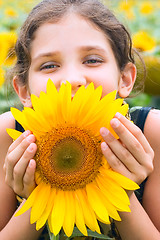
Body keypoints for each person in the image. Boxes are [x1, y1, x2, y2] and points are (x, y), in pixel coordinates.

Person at [0, 0, 160, 239]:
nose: (72, 79)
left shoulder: (150, 132)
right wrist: (36, 198)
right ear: (23, 90)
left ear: (125, 79)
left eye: (92, 60)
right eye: (50, 65)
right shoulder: (10, 135)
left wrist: (122, 192)